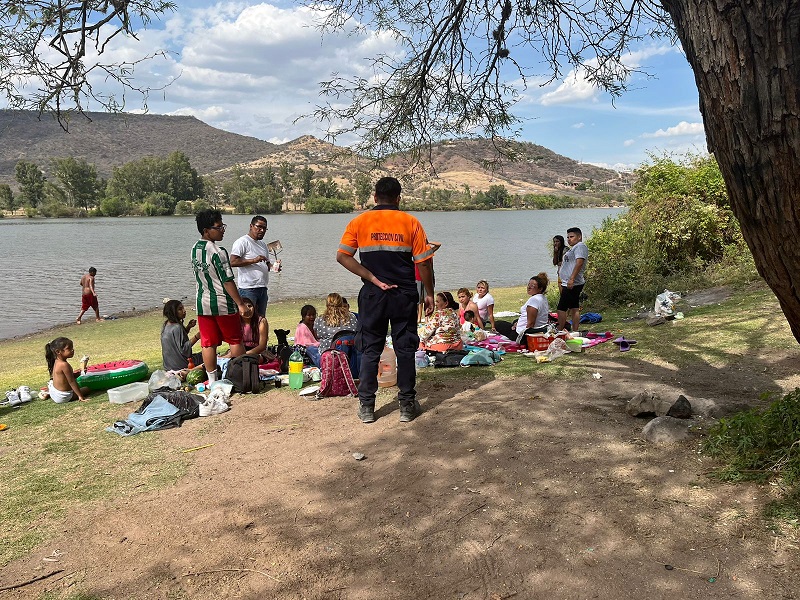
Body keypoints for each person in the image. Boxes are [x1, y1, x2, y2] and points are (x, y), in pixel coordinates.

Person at [336, 176, 435, 424]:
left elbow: (342, 257)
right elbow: (423, 263)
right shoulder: (410, 222)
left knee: (370, 349)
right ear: (398, 198)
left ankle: (367, 407)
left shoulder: (359, 222)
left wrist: (372, 278)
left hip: (373, 294)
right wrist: (430, 293)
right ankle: (406, 406)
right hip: (403, 295)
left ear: (375, 197)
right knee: (405, 349)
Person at [191, 209, 247, 384]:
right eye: (219, 227)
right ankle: (242, 376)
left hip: (203, 304)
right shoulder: (218, 251)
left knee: (208, 344)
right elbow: (227, 280)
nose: (223, 230)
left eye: (223, 226)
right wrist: (240, 304)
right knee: (235, 340)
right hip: (223, 303)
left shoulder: (194, 249)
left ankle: (213, 381)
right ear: (206, 230)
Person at [230, 215, 271, 318]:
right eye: (259, 227)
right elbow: (232, 262)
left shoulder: (263, 245)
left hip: (262, 288)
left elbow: (266, 264)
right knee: (247, 320)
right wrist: (253, 260)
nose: (262, 230)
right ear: (251, 226)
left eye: (264, 228)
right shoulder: (242, 242)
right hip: (248, 289)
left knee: (261, 321)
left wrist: (274, 266)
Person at [557, 227, 589, 331]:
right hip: (570, 282)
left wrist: (571, 279)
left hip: (572, 283)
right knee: (574, 307)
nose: (569, 239)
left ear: (579, 237)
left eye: (571, 236)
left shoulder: (580, 246)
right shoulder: (574, 248)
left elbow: (579, 263)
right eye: (567, 237)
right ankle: (575, 331)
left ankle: (560, 330)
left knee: (561, 308)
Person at [161, 299, 202, 372]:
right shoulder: (177, 327)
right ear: (173, 312)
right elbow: (184, 349)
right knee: (207, 354)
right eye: (180, 309)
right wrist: (197, 336)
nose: (184, 311)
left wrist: (188, 327)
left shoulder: (166, 325)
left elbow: (178, 339)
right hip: (181, 365)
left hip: (168, 366)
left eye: (183, 308)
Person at [45, 337, 89, 403]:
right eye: (69, 348)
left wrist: (79, 373)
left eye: (72, 348)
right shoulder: (64, 365)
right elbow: (71, 381)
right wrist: (80, 396)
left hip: (54, 392)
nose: (72, 350)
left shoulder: (57, 361)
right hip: (62, 397)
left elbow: (66, 377)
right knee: (87, 389)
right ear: (58, 351)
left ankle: (47, 393)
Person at [515, 273, 551, 342]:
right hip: (540, 329)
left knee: (499, 324)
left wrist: (523, 337)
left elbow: (531, 324)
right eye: (528, 284)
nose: (529, 287)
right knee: (515, 321)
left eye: (532, 286)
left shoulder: (534, 300)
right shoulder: (543, 298)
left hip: (526, 334)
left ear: (540, 289)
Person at [417, 240, 441, 322]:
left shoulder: (428, 251)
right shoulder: (416, 251)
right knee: (419, 299)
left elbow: (438, 244)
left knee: (427, 297)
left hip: (428, 277)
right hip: (417, 277)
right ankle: (419, 317)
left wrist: (428, 242)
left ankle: (427, 317)